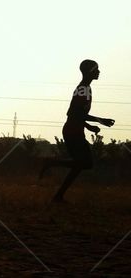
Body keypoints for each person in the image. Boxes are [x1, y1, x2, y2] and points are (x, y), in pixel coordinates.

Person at [40, 60, 114, 202]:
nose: (99, 72)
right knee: (85, 163)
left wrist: (88, 126)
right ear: (89, 71)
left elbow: (74, 113)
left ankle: (59, 195)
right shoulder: (83, 89)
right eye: (96, 69)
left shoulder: (85, 88)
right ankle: (51, 164)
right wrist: (100, 120)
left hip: (75, 131)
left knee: (80, 164)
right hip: (72, 132)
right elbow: (73, 114)